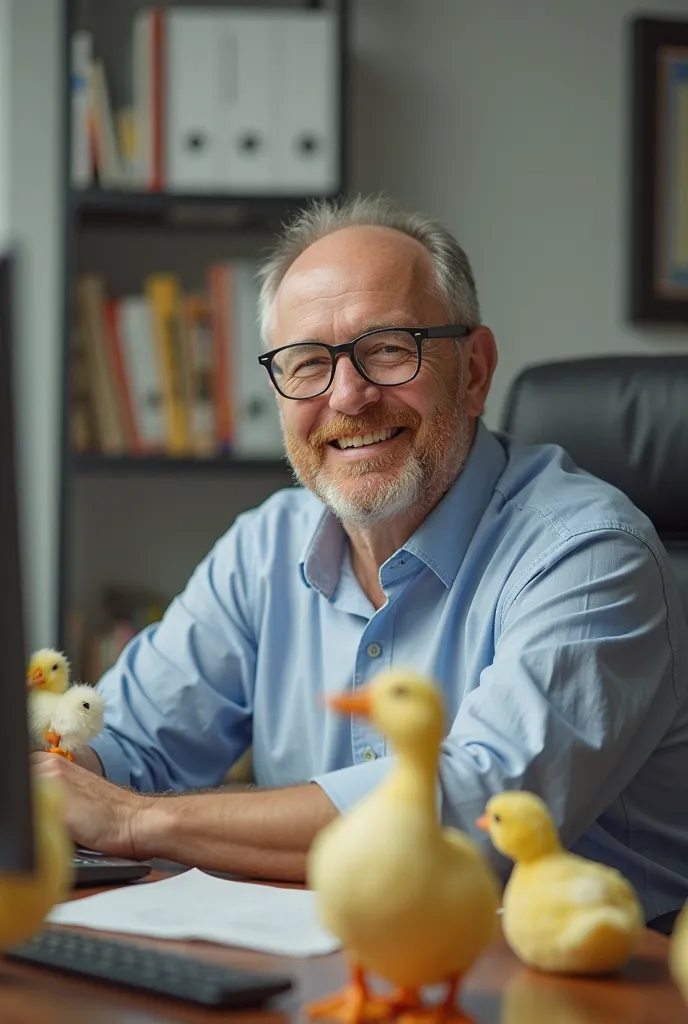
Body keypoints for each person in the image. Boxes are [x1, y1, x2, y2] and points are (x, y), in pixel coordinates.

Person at [34, 195, 688, 931]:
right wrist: (58, 780)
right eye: (308, 362)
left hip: (582, 983)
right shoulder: (266, 547)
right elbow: (130, 740)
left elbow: (468, 810)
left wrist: (132, 822)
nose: (348, 396)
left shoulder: (590, 553)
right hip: (326, 971)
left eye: (387, 348)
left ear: (473, 371)